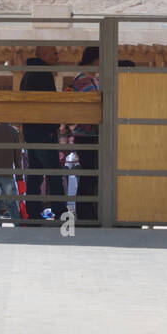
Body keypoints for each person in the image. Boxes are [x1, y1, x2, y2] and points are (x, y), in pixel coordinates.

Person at [20, 45, 62, 221]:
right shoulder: (43, 73)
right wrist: (52, 129)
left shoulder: (27, 74)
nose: (58, 56)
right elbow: (48, 104)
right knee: (54, 172)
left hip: (31, 130)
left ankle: (32, 211)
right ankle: (61, 212)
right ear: (44, 54)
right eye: (54, 53)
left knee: (35, 173)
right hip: (43, 131)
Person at [66, 47, 100, 221]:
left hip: (93, 134)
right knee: (89, 175)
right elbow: (93, 103)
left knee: (92, 175)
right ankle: (85, 213)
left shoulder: (94, 78)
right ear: (95, 59)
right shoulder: (82, 79)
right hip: (87, 134)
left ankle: (90, 211)